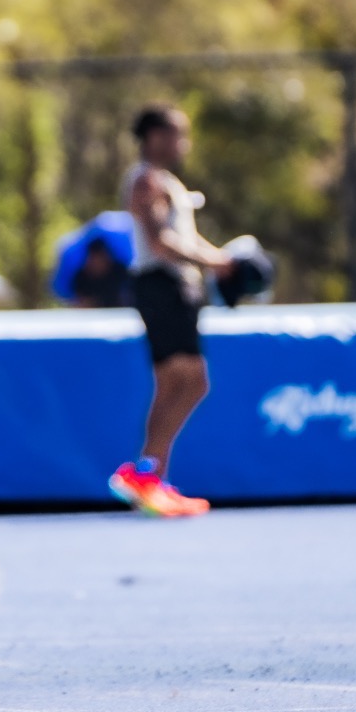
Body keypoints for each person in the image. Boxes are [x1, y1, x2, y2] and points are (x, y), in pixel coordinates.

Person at [109, 105, 233, 518]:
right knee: (194, 381)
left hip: (172, 286)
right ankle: (145, 472)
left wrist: (213, 262)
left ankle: (151, 476)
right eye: (176, 133)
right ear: (155, 137)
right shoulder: (146, 179)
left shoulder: (165, 181)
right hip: (162, 286)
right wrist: (217, 261)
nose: (183, 142)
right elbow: (161, 241)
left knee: (171, 384)